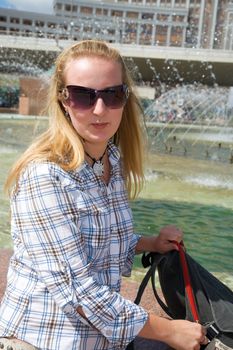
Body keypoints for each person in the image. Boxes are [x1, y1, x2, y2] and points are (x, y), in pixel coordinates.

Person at [0, 40, 208, 350]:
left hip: (100, 339)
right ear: (63, 100)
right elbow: (78, 293)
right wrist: (169, 331)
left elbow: (100, 242)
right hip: (43, 339)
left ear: (125, 98)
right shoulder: (45, 176)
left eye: (112, 95)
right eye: (83, 95)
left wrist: (150, 243)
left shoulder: (110, 160)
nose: (100, 109)